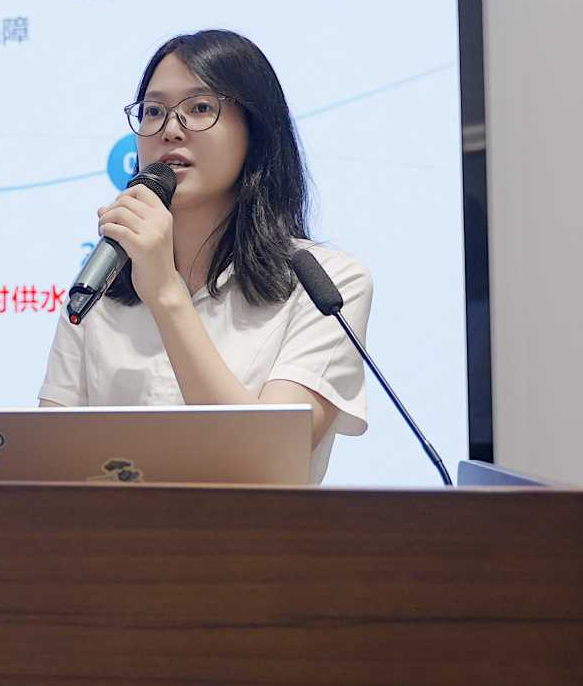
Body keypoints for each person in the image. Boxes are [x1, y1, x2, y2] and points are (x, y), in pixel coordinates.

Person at [38, 29, 372, 483]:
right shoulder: (96, 290)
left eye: (199, 108)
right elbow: (48, 468)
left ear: (255, 131)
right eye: (153, 111)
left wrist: (167, 296)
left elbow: (265, 462)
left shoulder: (327, 285)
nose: (170, 130)